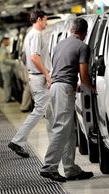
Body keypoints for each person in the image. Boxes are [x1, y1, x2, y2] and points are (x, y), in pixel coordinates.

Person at [40, 18, 94, 182]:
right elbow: (83, 74)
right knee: (62, 128)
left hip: (56, 87)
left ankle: (70, 170)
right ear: (84, 33)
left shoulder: (59, 45)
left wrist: (73, 83)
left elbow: (61, 69)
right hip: (64, 89)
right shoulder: (83, 47)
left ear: (71, 30)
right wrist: (92, 88)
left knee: (69, 131)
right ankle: (49, 166)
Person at [8, 10, 51, 158]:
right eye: (46, 20)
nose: (47, 23)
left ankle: (53, 142)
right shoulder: (36, 34)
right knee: (39, 110)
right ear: (39, 20)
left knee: (47, 111)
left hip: (35, 77)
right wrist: (46, 73)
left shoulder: (30, 34)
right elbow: (34, 57)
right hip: (39, 78)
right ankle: (17, 141)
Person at [0, 37, 16, 102]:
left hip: (6, 69)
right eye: (8, 41)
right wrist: (14, 62)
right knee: (7, 84)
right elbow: (4, 60)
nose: (9, 42)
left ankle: (8, 97)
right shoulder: (3, 49)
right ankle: (7, 98)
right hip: (6, 69)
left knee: (7, 84)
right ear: (4, 41)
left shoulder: (4, 48)